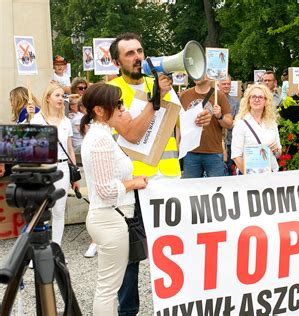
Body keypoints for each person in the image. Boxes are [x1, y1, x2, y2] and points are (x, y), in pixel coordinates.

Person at [108, 32, 211, 315]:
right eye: (129, 53)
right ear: (117, 61)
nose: (137, 57)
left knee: (173, 248)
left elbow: (180, 128)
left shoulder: (160, 84)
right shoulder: (113, 91)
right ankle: (128, 311)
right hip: (136, 184)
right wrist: (156, 98)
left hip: (168, 180)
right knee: (132, 254)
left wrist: (199, 120)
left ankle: (176, 305)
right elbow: (131, 132)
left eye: (139, 51)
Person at [80, 83, 148, 315]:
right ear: (99, 110)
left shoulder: (103, 135)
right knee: (109, 287)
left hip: (113, 217)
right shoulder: (100, 139)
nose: (122, 107)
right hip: (110, 218)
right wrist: (134, 183)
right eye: (117, 103)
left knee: (110, 285)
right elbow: (105, 190)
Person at [30, 83, 80, 246]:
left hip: (63, 168)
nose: (61, 99)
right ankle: (38, 250)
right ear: (48, 98)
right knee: (41, 211)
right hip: (43, 169)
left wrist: (75, 174)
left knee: (59, 210)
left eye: (62, 96)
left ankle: (55, 248)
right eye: (57, 95)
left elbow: (70, 149)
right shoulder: (37, 120)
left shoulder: (66, 121)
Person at [180, 76, 233, 178]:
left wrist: (220, 116)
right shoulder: (184, 95)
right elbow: (180, 122)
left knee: (216, 189)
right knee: (190, 189)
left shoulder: (220, 96)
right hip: (190, 152)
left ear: (208, 75)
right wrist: (179, 142)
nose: (196, 74)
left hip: (213, 152)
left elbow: (229, 123)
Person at [231, 84, 281, 173]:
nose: (256, 99)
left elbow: (278, 154)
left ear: (266, 101)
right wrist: (250, 176)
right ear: (248, 100)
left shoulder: (272, 123)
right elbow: (236, 156)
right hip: (250, 176)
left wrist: (276, 150)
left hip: (271, 173)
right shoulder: (241, 124)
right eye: (253, 97)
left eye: (260, 97)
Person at [218, 75, 240, 175]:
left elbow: (236, 122)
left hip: (230, 141)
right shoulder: (213, 100)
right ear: (218, 85)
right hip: (216, 142)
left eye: (228, 84)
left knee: (230, 171)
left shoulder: (235, 103)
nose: (226, 86)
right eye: (224, 84)